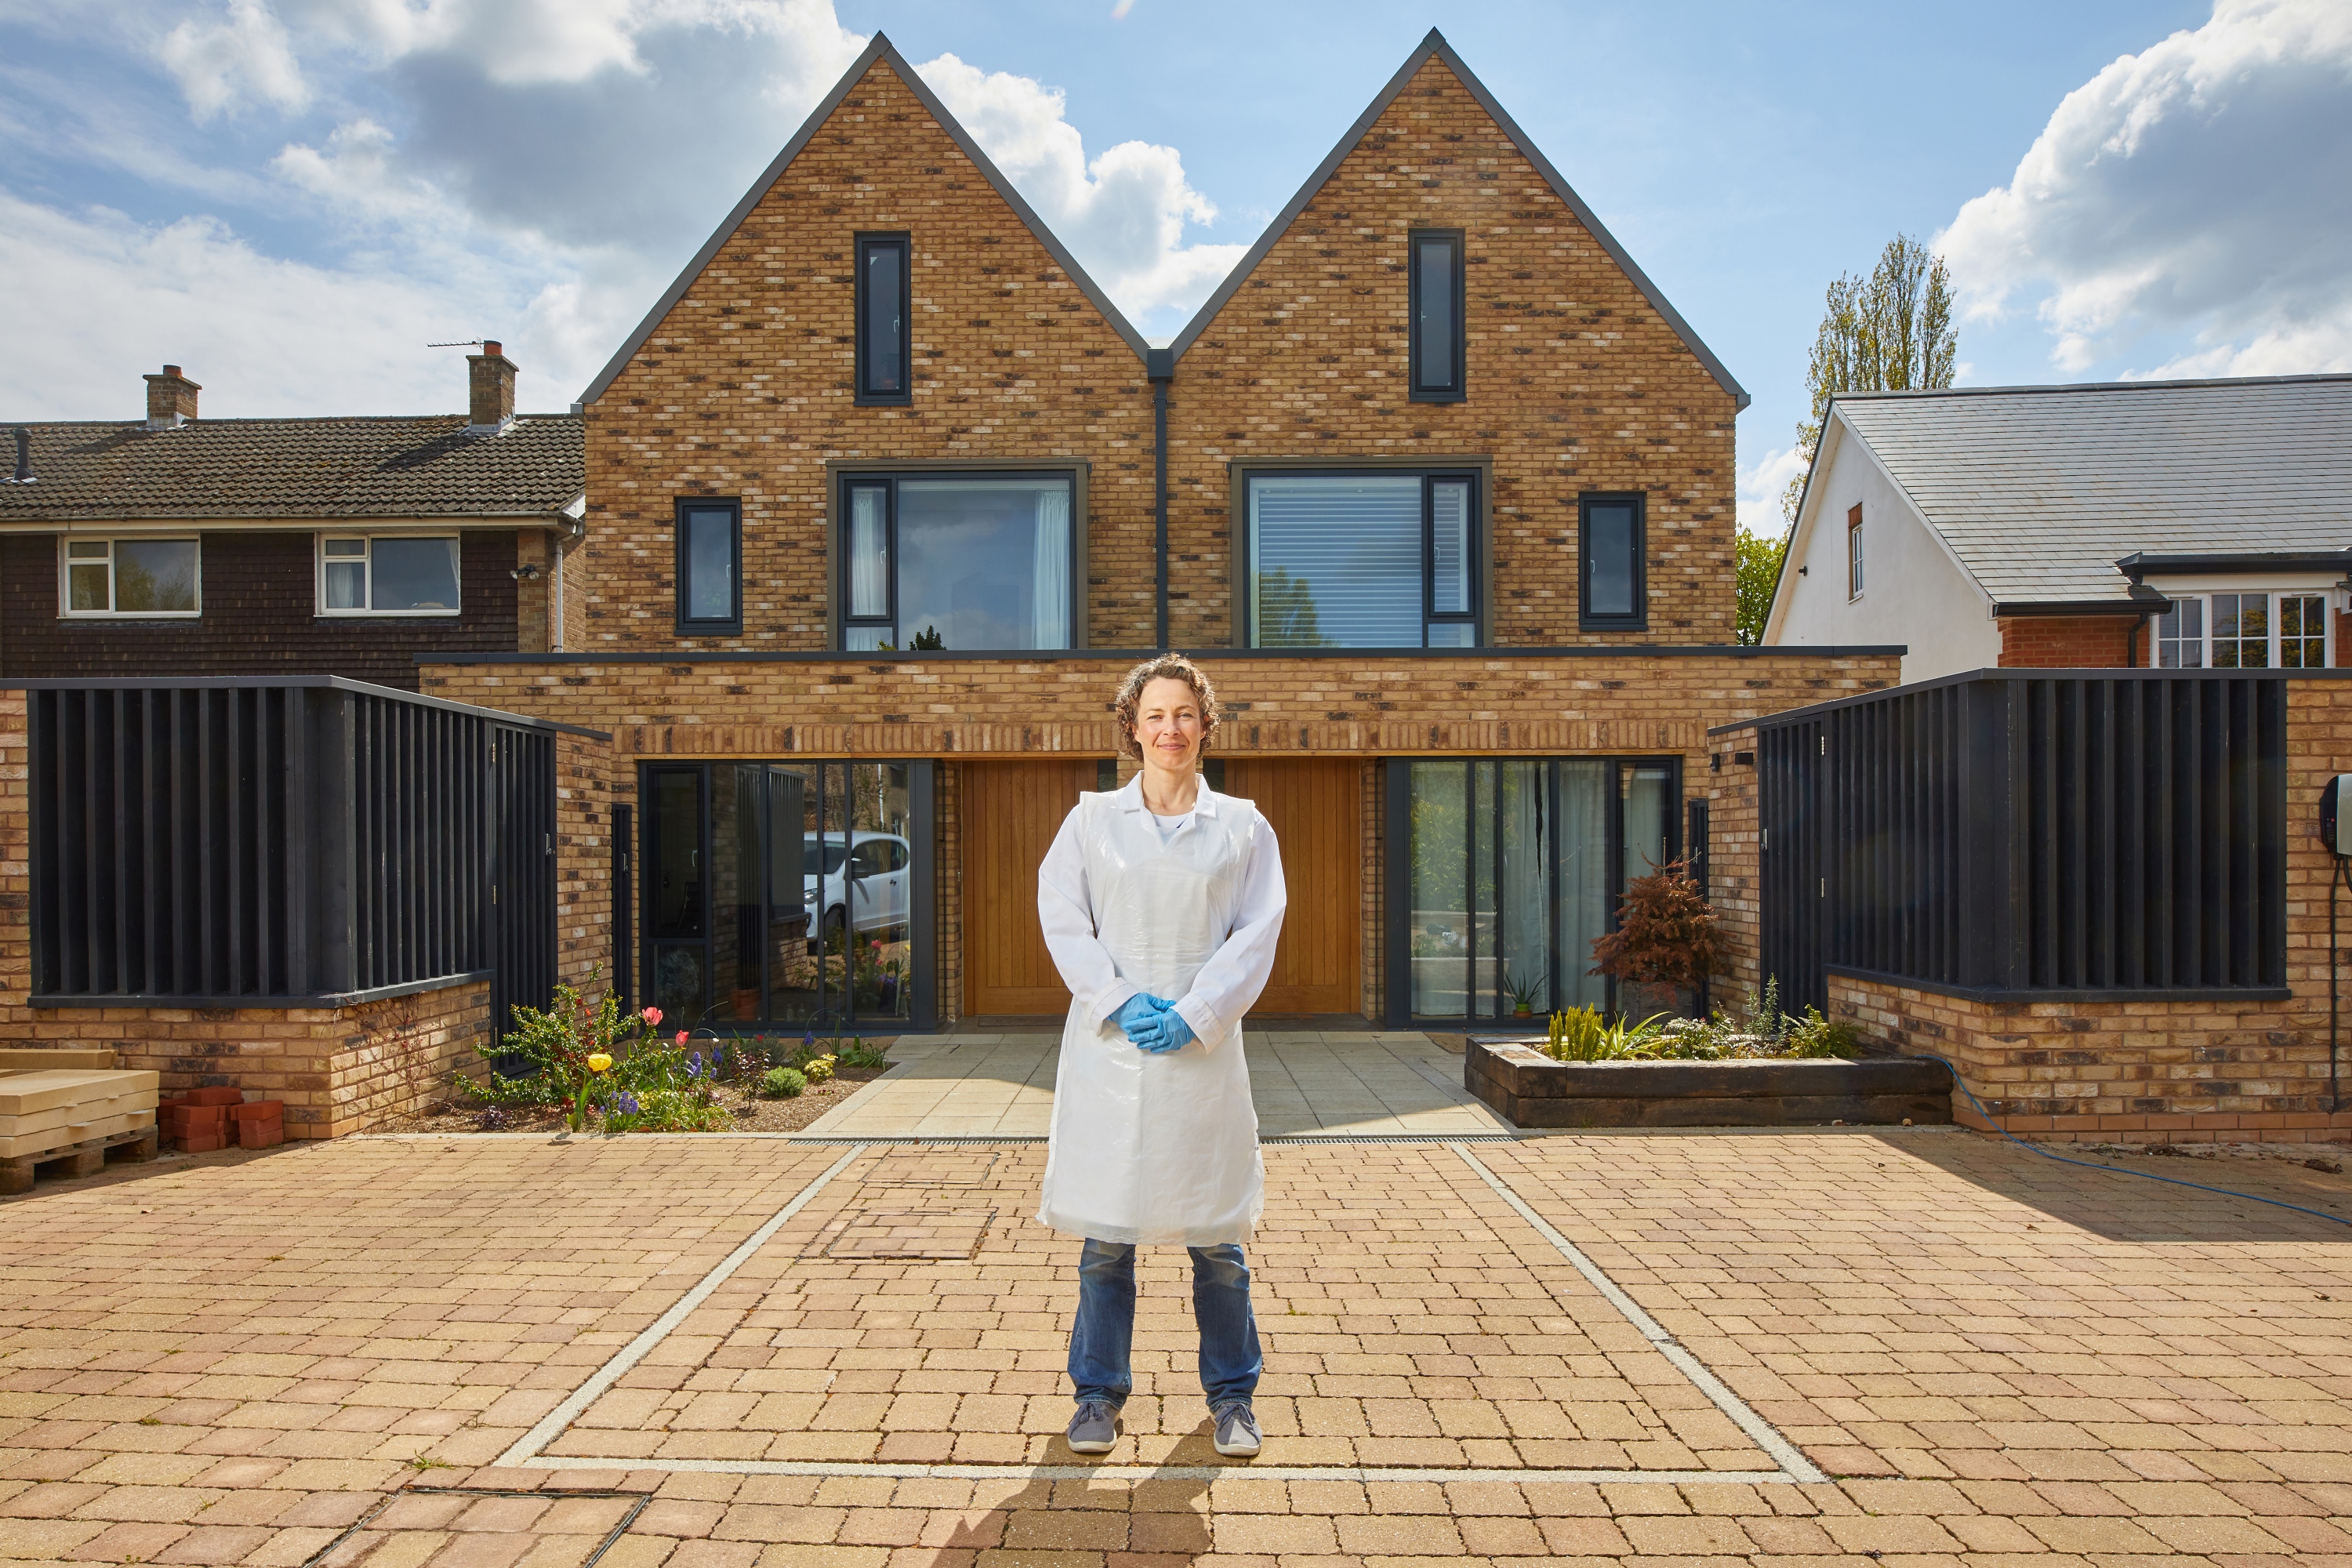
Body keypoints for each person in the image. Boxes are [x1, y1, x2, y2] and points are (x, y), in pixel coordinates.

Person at [1035, 653, 1287, 1461]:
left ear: (1205, 725)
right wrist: (1117, 999)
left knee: (1217, 1239)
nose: (1170, 728)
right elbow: (1064, 919)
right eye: (1155, 715)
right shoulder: (1089, 823)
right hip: (1113, 1058)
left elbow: (1256, 932)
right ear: (1133, 728)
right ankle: (1097, 1395)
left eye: (1184, 713)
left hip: (1201, 1061)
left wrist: (1196, 1011)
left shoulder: (1244, 826)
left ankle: (1233, 1396)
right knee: (1106, 1237)